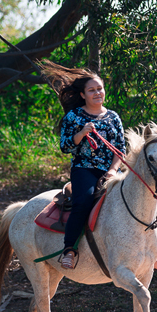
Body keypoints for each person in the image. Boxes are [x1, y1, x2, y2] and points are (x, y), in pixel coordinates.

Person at [44, 61, 127, 270]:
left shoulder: (113, 117)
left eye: (100, 88)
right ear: (83, 95)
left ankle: (145, 251)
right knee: (84, 201)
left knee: (132, 199)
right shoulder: (74, 117)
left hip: (110, 171)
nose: (97, 93)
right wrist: (81, 134)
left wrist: (112, 171)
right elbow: (65, 146)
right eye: (92, 90)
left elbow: (120, 150)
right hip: (84, 169)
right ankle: (69, 250)